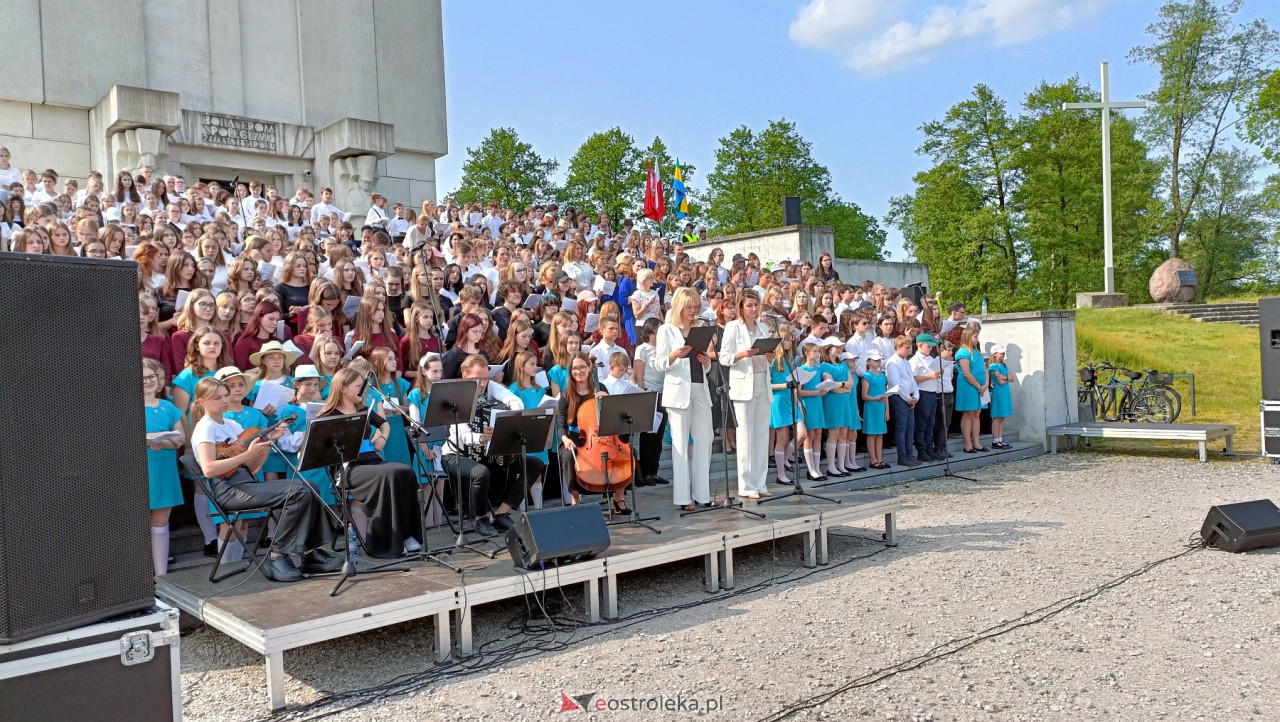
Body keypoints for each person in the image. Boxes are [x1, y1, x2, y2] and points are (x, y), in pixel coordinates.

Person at [190, 377, 340, 582]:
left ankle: (310, 553)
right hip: (228, 489)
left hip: (245, 482)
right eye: (217, 398)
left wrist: (269, 441)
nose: (224, 400)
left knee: (309, 486)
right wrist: (246, 454)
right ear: (201, 402)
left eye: (225, 395)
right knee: (297, 492)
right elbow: (208, 469)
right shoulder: (205, 427)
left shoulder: (232, 424)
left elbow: (253, 467)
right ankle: (277, 555)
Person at [317, 368, 424, 557]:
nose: (363, 390)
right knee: (388, 475)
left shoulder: (363, 410)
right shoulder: (329, 416)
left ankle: (406, 533)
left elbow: (384, 423)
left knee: (405, 471)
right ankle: (387, 541)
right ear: (342, 388)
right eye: (358, 386)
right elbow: (318, 449)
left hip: (372, 461)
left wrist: (382, 438)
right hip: (348, 468)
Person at [440, 355, 539, 537]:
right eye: (478, 379)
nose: (483, 383)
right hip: (456, 454)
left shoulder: (490, 386)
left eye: (486, 378)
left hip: (483, 452)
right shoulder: (456, 396)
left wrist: (512, 417)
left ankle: (501, 513)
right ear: (465, 375)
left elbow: (515, 400)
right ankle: (480, 518)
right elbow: (462, 435)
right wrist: (482, 438)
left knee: (534, 464)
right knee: (481, 472)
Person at [652, 287, 715, 511]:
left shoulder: (699, 329)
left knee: (705, 439)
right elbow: (658, 364)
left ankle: (702, 494)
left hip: (700, 388)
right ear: (679, 306)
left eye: (696, 307)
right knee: (680, 443)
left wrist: (707, 363)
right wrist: (673, 356)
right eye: (689, 307)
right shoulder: (666, 330)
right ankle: (682, 497)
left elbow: (705, 367)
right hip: (678, 391)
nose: (693, 310)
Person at [555, 352, 631, 512]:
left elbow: (612, 418)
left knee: (629, 453)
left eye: (582, 367)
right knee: (568, 456)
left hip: (602, 436)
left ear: (590, 368)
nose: (578, 371)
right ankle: (575, 500)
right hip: (576, 439)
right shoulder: (566, 395)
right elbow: (561, 423)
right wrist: (565, 439)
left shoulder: (600, 388)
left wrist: (608, 402)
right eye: (574, 368)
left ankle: (619, 497)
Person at [718, 289, 773, 499]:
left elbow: (768, 357)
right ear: (741, 306)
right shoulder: (733, 327)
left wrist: (769, 356)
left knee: (761, 435)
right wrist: (741, 354)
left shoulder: (763, 327)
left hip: (762, 381)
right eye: (749, 305)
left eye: (756, 305)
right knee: (745, 437)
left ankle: (760, 483)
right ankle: (747, 485)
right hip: (743, 385)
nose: (754, 308)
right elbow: (724, 358)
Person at [142, 359, 184, 576]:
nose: (148, 381)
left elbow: (180, 438)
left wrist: (161, 442)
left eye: (151, 377)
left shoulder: (168, 407)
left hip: (164, 468)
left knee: (160, 520)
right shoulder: (129, 408)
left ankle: (161, 574)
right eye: (142, 378)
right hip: (142, 468)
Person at [769, 320, 802, 485]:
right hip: (779, 399)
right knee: (782, 438)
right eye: (787, 339)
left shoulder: (792, 359)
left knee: (801, 433)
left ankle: (785, 459)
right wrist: (784, 385)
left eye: (791, 339)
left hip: (791, 398)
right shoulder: (773, 360)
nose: (790, 342)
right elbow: (767, 385)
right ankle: (781, 474)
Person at [885, 335, 922, 467]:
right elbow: (896, 384)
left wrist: (915, 397)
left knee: (910, 427)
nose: (909, 350)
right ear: (899, 347)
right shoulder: (892, 363)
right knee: (902, 428)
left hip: (908, 398)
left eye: (910, 347)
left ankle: (909, 454)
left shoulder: (906, 362)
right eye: (907, 348)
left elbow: (912, 381)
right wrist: (908, 399)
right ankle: (902, 456)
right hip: (899, 398)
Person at [795, 338, 828, 481]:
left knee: (818, 434)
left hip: (818, 404)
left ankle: (817, 467)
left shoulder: (818, 369)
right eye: (814, 351)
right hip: (808, 404)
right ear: (806, 353)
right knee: (809, 435)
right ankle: (811, 469)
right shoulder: (802, 370)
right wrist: (816, 393)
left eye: (818, 351)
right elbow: (798, 391)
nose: (817, 353)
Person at [910, 333, 944, 461]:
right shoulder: (915, 360)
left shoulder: (930, 358)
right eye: (928, 346)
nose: (931, 348)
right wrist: (930, 376)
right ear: (919, 345)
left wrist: (938, 374)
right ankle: (921, 450)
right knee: (922, 423)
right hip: (922, 392)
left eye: (931, 346)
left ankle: (929, 448)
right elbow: (913, 379)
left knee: (931, 423)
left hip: (932, 391)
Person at [955, 328, 989, 453]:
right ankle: (967, 444)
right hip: (968, 386)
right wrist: (978, 386)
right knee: (969, 413)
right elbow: (966, 373)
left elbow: (985, 369)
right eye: (975, 337)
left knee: (977, 413)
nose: (977, 339)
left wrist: (985, 384)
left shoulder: (977, 352)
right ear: (968, 337)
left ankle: (976, 442)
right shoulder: (963, 352)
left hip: (980, 387)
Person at [861, 350, 890, 469]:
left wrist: (887, 410)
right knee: (872, 434)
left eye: (879, 360)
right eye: (875, 360)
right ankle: (873, 460)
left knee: (880, 434)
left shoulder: (882, 375)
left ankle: (880, 459)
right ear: (868, 361)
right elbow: (864, 395)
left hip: (880, 407)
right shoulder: (867, 376)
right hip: (872, 407)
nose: (878, 362)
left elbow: (885, 394)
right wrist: (876, 399)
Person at [933, 340, 957, 459]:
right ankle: (938, 448)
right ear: (941, 350)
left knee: (947, 423)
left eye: (952, 350)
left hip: (949, 393)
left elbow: (950, 378)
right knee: (942, 423)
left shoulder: (950, 363)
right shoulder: (936, 362)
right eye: (948, 350)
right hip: (940, 394)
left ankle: (943, 446)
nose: (951, 352)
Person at [988, 344, 1014, 449]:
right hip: (999, 392)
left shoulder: (1004, 366)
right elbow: (1001, 382)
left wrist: (1005, 377)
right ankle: (995, 440)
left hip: (1005, 393)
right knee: (997, 417)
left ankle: (1000, 439)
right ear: (995, 354)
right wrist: (1007, 378)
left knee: (1002, 417)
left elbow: (1011, 378)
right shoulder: (993, 366)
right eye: (1001, 352)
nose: (1003, 354)